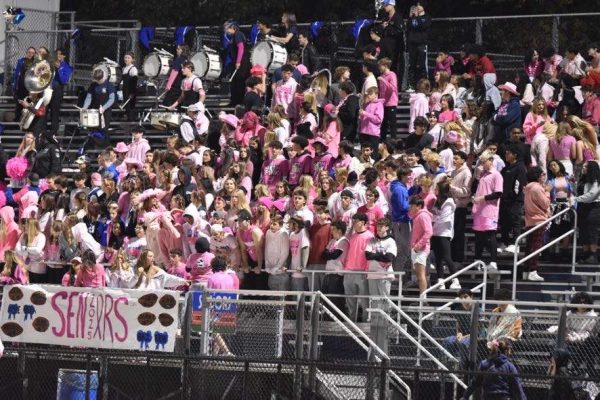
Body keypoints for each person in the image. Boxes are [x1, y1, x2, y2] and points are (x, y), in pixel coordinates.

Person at [462, 338, 527, 400]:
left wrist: (465, 396)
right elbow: (517, 388)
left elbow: (475, 383)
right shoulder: (509, 366)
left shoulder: (484, 364)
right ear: (506, 351)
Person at [472, 150, 503, 272]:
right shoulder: (483, 175)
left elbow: (498, 193)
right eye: (481, 162)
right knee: (479, 236)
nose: (482, 164)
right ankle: (477, 260)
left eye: (484, 162)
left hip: (490, 210)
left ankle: (493, 261)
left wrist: (482, 198)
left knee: (490, 236)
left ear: (491, 161)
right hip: (479, 210)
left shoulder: (496, 175)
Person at [343, 213, 374, 322]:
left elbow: (370, 255)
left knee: (364, 299)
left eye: (355, 221)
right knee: (350, 300)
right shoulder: (353, 236)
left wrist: (367, 271)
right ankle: (352, 321)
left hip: (362, 271)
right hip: (349, 271)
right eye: (353, 221)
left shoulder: (370, 236)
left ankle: (366, 321)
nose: (354, 224)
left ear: (362, 222)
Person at [523, 166, 550, 281]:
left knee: (529, 246)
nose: (544, 177)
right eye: (542, 175)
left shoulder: (528, 187)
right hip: (538, 219)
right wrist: (547, 192)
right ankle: (533, 271)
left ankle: (525, 271)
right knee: (536, 246)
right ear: (538, 176)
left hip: (529, 219)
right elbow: (545, 203)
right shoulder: (537, 188)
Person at [498, 145, 527, 254]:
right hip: (504, 200)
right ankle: (504, 242)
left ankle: (515, 244)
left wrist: (511, 195)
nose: (506, 155)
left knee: (515, 221)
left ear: (515, 155)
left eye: (508, 153)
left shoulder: (520, 168)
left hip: (515, 200)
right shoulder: (505, 169)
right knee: (504, 222)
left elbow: (518, 185)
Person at [431, 182, 460, 289]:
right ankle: (440, 280)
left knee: (447, 257)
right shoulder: (437, 201)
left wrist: (433, 219)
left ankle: (455, 280)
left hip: (444, 233)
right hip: (435, 233)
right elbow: (433, 214)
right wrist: (433, 219)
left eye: (437, 188)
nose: (435, 190)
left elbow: (444, 219)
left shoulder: (449, 202)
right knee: (438, 258)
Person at [449, 151, 472, 265]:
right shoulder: (453, 172)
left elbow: (466, 192)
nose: (454, 160)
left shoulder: (466, 173)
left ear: (463, 160)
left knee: (458, 233)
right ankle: (452, 258)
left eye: (456, 158)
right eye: (453, 158)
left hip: (460, 207)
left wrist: (451, 187)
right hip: (452, 207)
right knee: (452, 233)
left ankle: (458, 258)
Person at [575, 160, 600, 264]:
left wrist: (576, 199)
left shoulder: (597, 181)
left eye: (585, 167)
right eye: (583, 167)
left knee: (592, 230)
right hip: (582, 207)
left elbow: (592, 195)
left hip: (594, 206)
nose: (583, 168)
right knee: (583, 229)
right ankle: (585, 253)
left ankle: (593, 254)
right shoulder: (583, 180)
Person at [223, 20, 251, 107]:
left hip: (242, 63)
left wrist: (238, 61)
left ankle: (239, 101)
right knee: (234, 82)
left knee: (240, 82)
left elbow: (241, 48)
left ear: (233, 28)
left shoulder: (238, 34)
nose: (226, 30)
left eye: (227, 28)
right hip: (235, 62)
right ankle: (233, 101)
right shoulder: (233, 37)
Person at [409, 196, 432, 294]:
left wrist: (418, 245)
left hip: (421, 249)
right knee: (420, 275)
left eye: (412, 206)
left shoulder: (423, 215)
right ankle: (423, 299)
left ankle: (423, 300)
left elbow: (429, 232)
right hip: (418, 249)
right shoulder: (418, 216)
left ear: (419, 206)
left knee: (421, 275)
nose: (410, 208)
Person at [406, 3, 432, 90]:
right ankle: (411, 85)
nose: (417, 7)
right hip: (412, 44)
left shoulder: (427, 17)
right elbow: (408, 28)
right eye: (416, 5)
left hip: (422, 44)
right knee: (411, 65)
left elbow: (423, 26)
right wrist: (410, 17)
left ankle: (424, 86)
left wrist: (417, 17)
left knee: (422, 65)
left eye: (419, 5)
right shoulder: (412, 17)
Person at [49, 48, 73, 134]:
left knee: (55, 112)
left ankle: (53, 131)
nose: (57, 56)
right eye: (56, 54)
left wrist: (59, 69)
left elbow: (64, 80)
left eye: (59, 54)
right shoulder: (50, 64)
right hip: (48, 89)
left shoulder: (67, 67)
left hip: (57, 91)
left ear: (64, 56)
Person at [377, 58, 398, 141]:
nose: (379, 68)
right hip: (383, 103)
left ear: (385, 66)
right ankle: (382, 140)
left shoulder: (392, 75)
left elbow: (393, 88)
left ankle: (394, 141)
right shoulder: (382, 76)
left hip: (391, 103)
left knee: (392, 123)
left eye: (380, 66)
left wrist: (384, 80)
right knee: (383, 123)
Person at [121, 51, 138, 121]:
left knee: (130, 108)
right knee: (126, 109)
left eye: (128, 58)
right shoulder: (124, 68)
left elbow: (134, 82)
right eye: (125, 57)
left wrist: (132, 93)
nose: (126, 59)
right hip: (125, 91)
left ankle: (131, 123)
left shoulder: (133, 69)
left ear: (132, 60)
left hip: (130, 92)